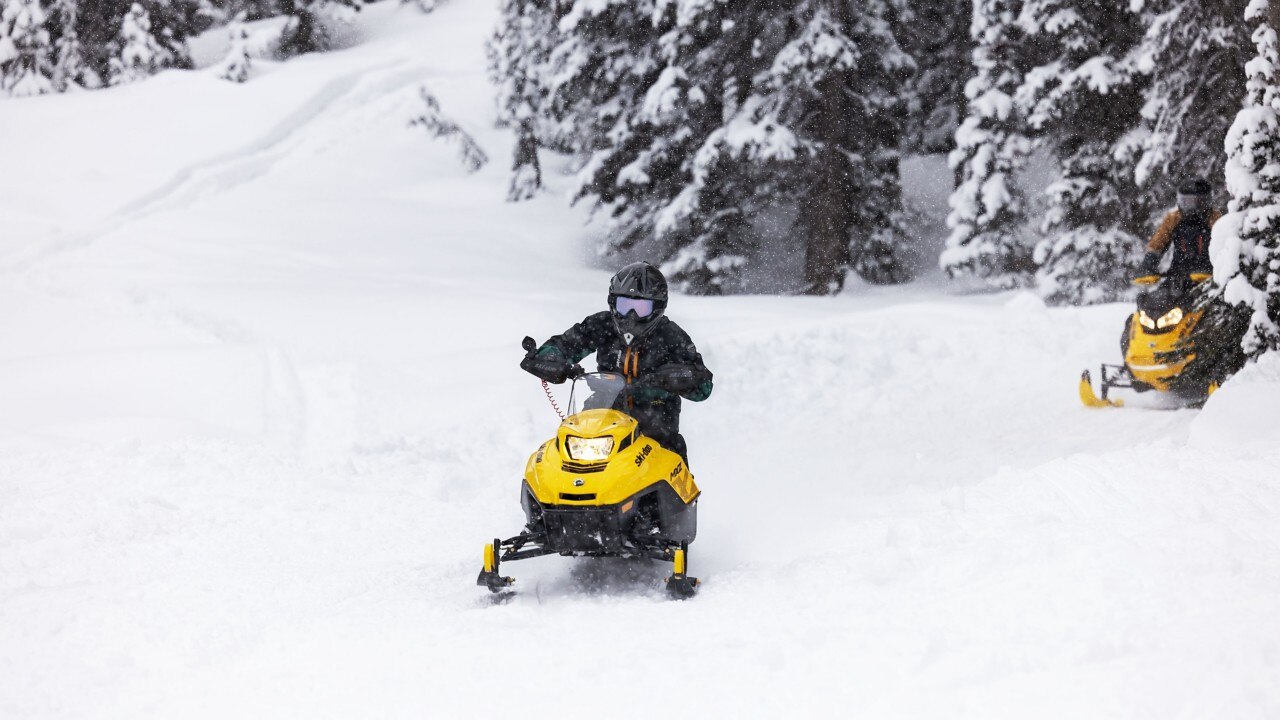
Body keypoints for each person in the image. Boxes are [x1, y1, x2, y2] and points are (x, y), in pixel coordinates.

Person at [520, 262, 712, 464]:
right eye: (624, 306)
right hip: (604, 410)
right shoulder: (602, 324)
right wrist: (550, 358)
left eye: (640, 308)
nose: (631, 316)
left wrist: (681, 378)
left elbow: (703, 386)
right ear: (613, 303)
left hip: (656, 418)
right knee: (569, 457)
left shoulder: (672, 336)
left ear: (657, 308)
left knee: (670, 466)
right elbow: (567, 343)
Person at [1138, 177, 1222, 278]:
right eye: (1186, 202)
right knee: (1158, 293)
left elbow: (1225, 245)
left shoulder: (1216, 219)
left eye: (1197, 203)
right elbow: (1159, 241)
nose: (1191, 208)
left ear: (1206, 202)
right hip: (1178, 274)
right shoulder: (1174, 218)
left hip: (1208, 275)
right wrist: (1150, 260)